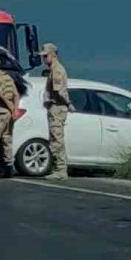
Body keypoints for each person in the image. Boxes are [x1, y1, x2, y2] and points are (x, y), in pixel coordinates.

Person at [39, 43, 73, 180]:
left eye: (46, 56)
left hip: (58, 107)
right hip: (55, 107)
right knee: (54, 138)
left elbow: (59, 91)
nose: (44, 59)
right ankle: (57, 168)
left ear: (53, 54)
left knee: (57, 138)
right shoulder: (53, 69)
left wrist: (68, 103)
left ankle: (60, 169)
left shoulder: (57, 70)